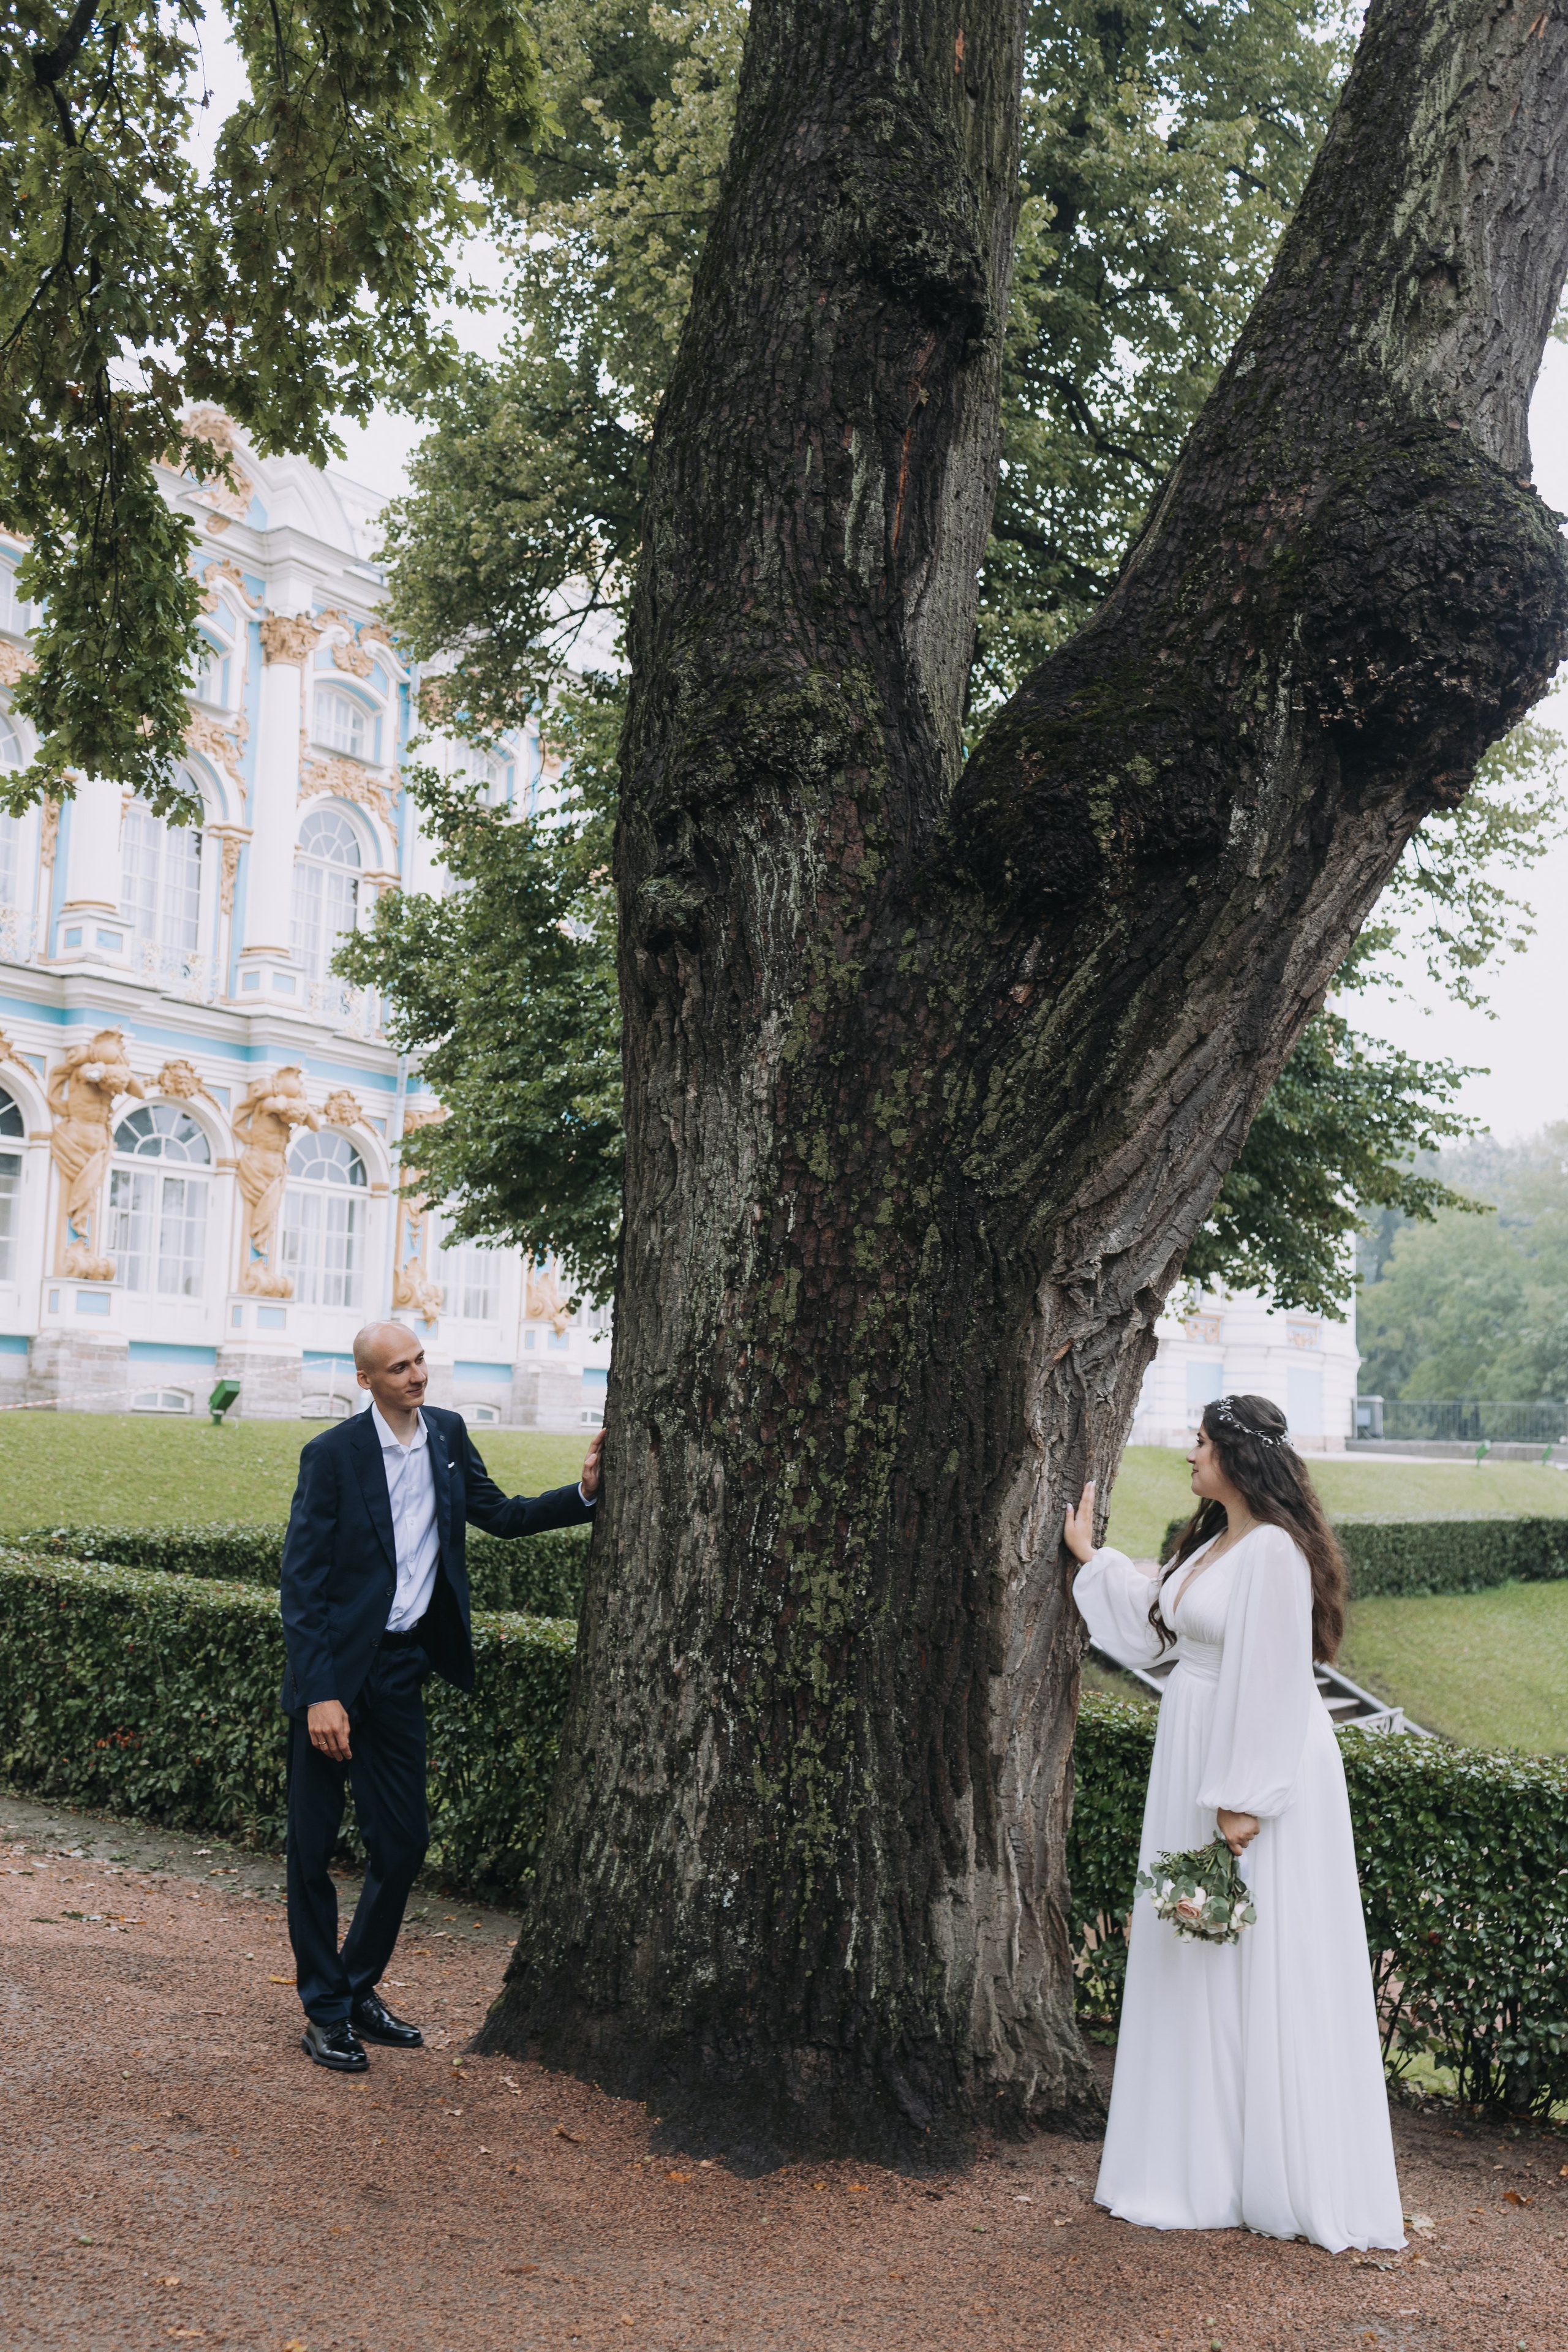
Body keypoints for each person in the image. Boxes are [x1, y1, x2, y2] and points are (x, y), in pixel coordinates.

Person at [1064, 1392, 1403, 2253]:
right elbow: (1157, 1629)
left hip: (1250, 1771)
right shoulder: (1215, 1542)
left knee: (1244, 1951)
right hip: (1193, 1749)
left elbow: (1277, 1679)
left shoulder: (1279, 1558)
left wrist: (1242, 1797)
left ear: (1239, 1458)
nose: (1191, 1452)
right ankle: (1189, 2161)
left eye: (1203, 1442)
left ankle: (1256, 2166)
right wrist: (1093, 1561)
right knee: (1191, 1949)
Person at [279, 1319, 605, 2073]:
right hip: (333, 1681)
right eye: (399, 1368)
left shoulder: (450, 1435)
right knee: (311, 1849)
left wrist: (584, 1494)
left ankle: (356, 1987)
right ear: (366, 1381)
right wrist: (321, 1694)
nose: (417, 1376)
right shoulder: (332, 1455)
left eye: (421, 1361)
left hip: (399, 1673)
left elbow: (502, 1515)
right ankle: (324, 2011)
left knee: (403, 1843)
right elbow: (301, 1584)